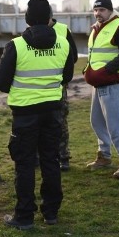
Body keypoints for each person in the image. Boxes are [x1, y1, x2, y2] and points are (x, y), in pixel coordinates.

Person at [0, 0, 75, 230]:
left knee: (25, 164)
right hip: (53, 111)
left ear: (27, 18)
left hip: (25, 114)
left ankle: (24, 216)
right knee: (51, 160)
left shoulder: (16, 45)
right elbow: (67, 77)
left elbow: (0, 82)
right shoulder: (63, 43)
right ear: (49, 17)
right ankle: (51, 212)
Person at [83, 0, 119, 179]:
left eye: (102, 10)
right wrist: (88, 70)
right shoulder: (98, 28)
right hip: (99, 82)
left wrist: (106, 70)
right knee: (96, 121)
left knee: (114, 124)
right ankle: (104, 156)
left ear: (110, 10)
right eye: (95, 10)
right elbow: (95, 55)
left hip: (113, 82)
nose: (98, 13)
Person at [49, 14, 78, 171]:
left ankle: (63, 157)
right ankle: (41, 156)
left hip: (59, 85)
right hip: (37, 87)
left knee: (60, 121)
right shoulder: (30, 30)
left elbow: (72, 57)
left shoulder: (63, 30)